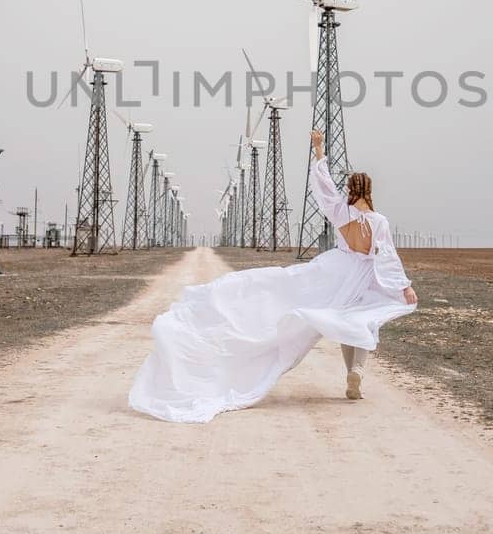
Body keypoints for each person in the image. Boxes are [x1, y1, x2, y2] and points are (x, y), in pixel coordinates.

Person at [128, 130, 417, 423]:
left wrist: (319, 151)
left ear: (351, 189)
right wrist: (404, 287)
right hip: (365, 275)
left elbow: (325, 186)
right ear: (369, 189)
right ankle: (356, 372)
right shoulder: (379, 222)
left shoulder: (342, 212)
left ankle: (350, 373)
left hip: (336, 270)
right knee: (363, 322)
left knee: (330, 315)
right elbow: (388, 256)